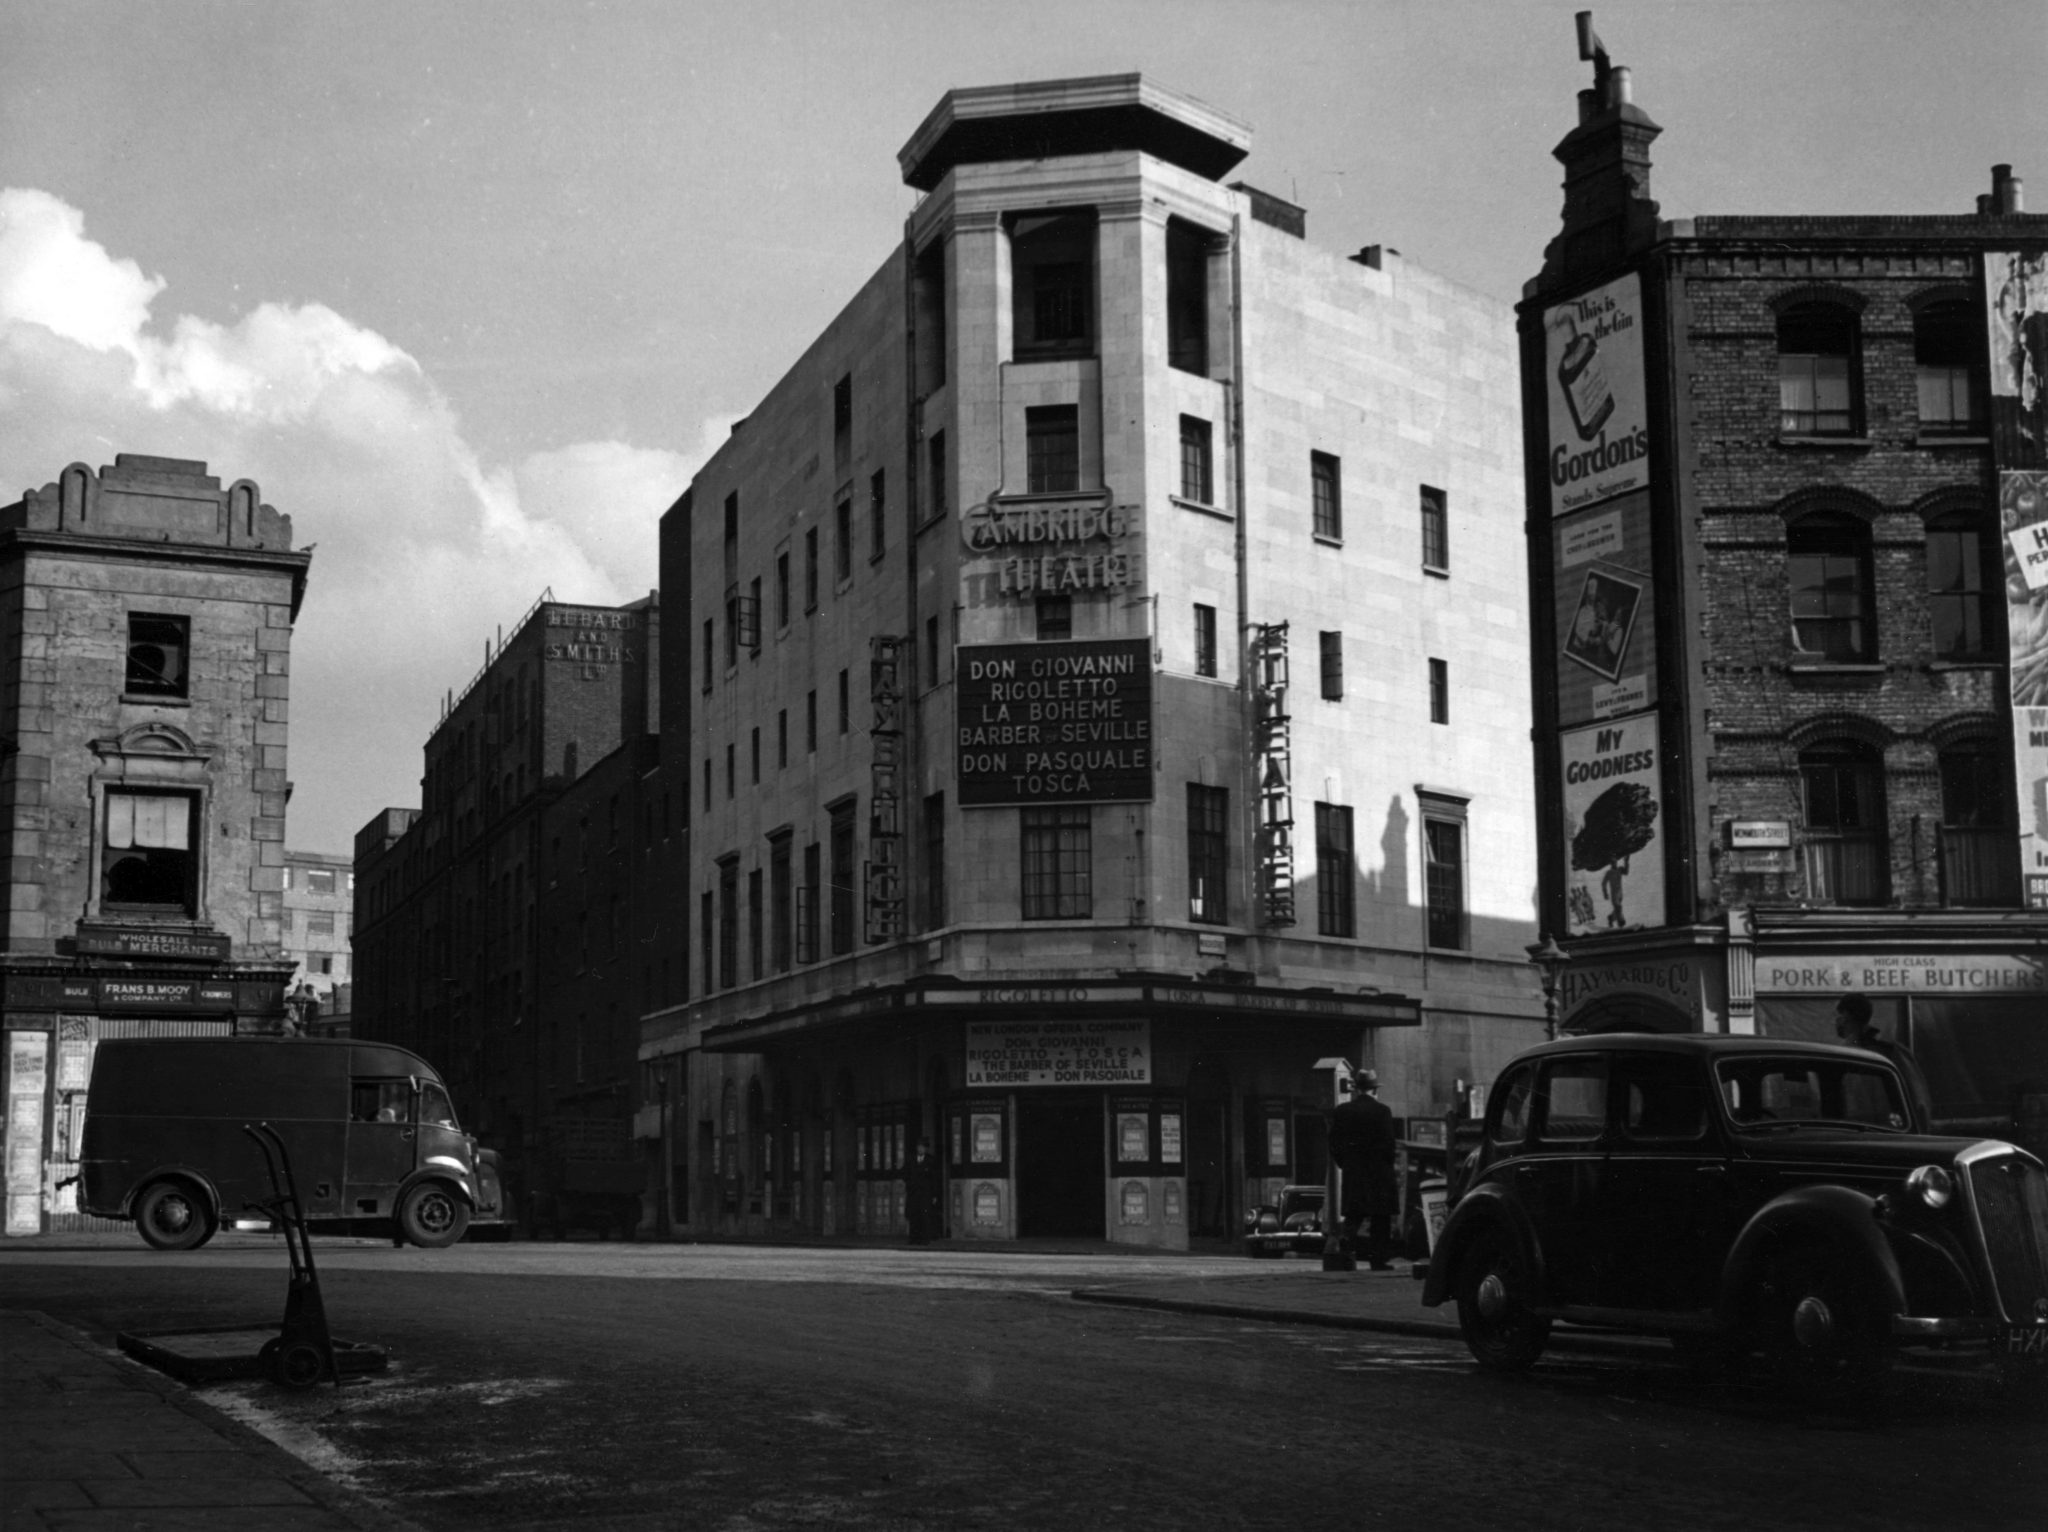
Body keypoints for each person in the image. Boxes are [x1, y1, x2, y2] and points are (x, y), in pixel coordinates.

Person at [1327, 1068, 1399, 1270]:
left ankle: (1346, 1248)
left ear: (1355, 1088)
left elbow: (1334, 1143)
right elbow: (1388, 1144)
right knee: (1380, 1218)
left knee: (1353, 1213)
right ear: (1374, 1089)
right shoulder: (1382, 1111)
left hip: (1354, 1171)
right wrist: (1386, 1166)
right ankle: (1378, 1260)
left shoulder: (1342, 1111)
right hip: (1378, 1172)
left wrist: (1345, 1163)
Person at [1834, 992, 1935, 1128]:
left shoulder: (1843, 1054)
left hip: (1865, 1131)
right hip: (1889, 1131)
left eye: (1837, 1015)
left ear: (1846, 1016)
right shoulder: (1893, 1051)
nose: (1835, 1021)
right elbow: (1919, 1100)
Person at [905, 1138, 942, 1246]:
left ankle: (925, 1239)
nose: (920, 1149)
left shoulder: (931, 1160)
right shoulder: (911, 1159)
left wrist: (934, 1194)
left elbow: (935, 1178)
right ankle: (913, 1239)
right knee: (914, 1216)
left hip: (926, 1193)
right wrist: (909, 1184)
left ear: (926, 1149)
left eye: (922, 1147)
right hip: (913, 1192)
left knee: (925, 1216)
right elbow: (905, 1173)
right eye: (919, 1147)